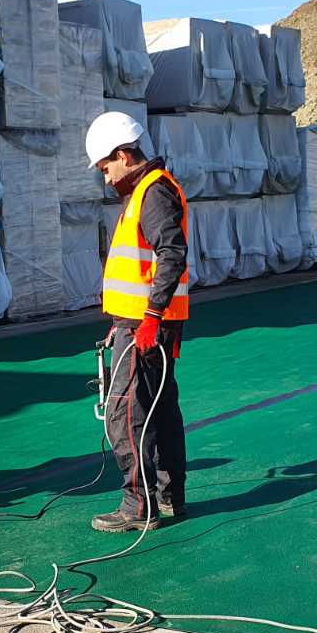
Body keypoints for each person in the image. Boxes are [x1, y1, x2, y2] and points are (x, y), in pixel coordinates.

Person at [84, 110, 190, 532]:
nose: (106, 178)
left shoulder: (152, 193)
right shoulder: (149, 192)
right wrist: (128, 319)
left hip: (148, 325)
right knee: (160, 408)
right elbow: (144, 266)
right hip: (143, 323)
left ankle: (137, 504)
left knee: (126, 411)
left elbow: (171, 253)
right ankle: (168, 498)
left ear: (125, 155)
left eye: (106, 167)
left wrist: (148, 317)